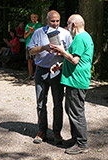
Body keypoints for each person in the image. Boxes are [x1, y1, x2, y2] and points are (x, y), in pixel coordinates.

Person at [50, 14, 94, 154]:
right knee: (70, 109)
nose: (66, 27)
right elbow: (78, 60)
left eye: (67, 24)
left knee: (76, 112)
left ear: (73, 25)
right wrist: (61, 66)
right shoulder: (82, 37)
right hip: (73, 79)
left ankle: (82, 144)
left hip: (77, 81)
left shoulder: (81, 37)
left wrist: (62, 51)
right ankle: (76, 138)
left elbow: (75, 60)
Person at [28, 10, 72, 144]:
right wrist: (44, 48)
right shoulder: (39, 32)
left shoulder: (65, 33)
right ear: (47, 20)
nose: (55, 23)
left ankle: (57, 132)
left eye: (57, 21)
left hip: (57, 71)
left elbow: (71, 53)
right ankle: (42, 131)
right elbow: (31, 50)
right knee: (41, 102)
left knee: (58, 103)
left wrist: (61, 55)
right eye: (53, 21)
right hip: (41, 70)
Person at [24, 13, 42, 80]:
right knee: (29, 60)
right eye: (32, 17)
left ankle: (37, 75)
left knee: (37, 60)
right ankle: (30, 75)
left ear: (37, 18)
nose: (33, 18)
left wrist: (33, 31)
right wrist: (29, 31)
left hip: (36, 44)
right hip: (28, 44)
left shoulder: (39, 25)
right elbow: (25, 36)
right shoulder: (28, 25)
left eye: (34, 17)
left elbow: (40, 34)